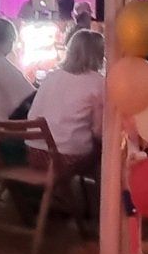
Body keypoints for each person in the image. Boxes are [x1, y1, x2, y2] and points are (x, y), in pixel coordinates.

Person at [27, 28, 105, 179]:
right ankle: (99, 198)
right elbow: (98, 131)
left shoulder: (51, 76)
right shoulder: (98, 83)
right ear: (99, 54)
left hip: (34, 153)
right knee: (106, 150)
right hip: (66, 158)